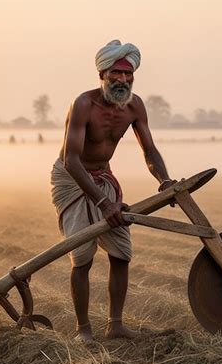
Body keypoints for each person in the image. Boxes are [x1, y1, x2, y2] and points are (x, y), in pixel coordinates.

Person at [51, 40, 175, 341]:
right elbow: (71, 160)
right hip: (72, 178)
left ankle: (115, 325)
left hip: (103, 177)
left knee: (121, 253)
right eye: (115, 74)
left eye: (127, 74)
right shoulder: (83, 104)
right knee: (82, 255)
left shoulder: (134, 106)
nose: (122, 80)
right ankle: (83, 331)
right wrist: (105, 203)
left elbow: (150, 151)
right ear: (102, 74)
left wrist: (165, 181)